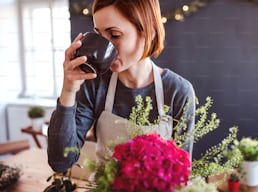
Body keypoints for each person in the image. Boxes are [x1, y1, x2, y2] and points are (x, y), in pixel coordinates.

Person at [47, 0, 196, 173]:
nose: (105, 46)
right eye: (99, 35)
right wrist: (68, 90)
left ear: (149, 32)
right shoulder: (95, 83)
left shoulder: (178, 92)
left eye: (115, 35)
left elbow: (182, 173)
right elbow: (60, 162)